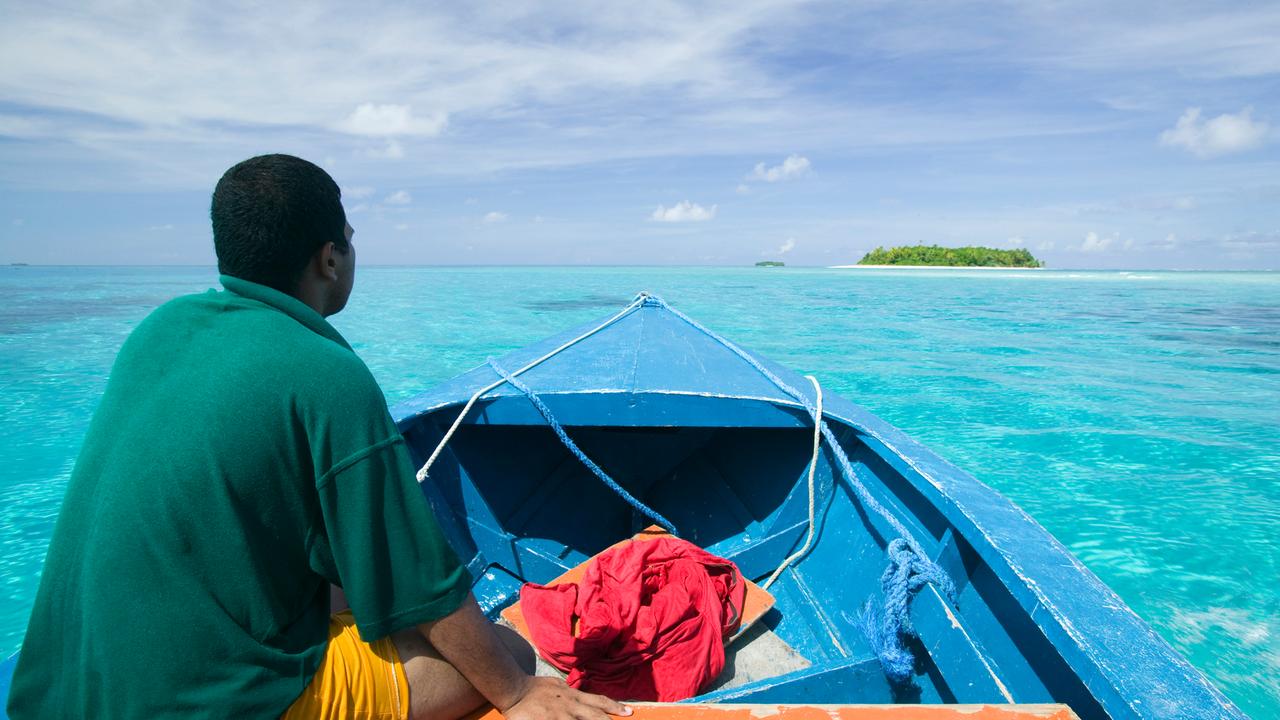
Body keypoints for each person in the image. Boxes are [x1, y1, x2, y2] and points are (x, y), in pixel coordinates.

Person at [7, 154, 631, 720]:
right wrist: (517, 692)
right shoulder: (326, 376)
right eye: (350, 244)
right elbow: (420, 582)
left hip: (63, 678)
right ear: (328, 258)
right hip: (204, 697)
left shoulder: (159, 330)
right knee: (504, 653)